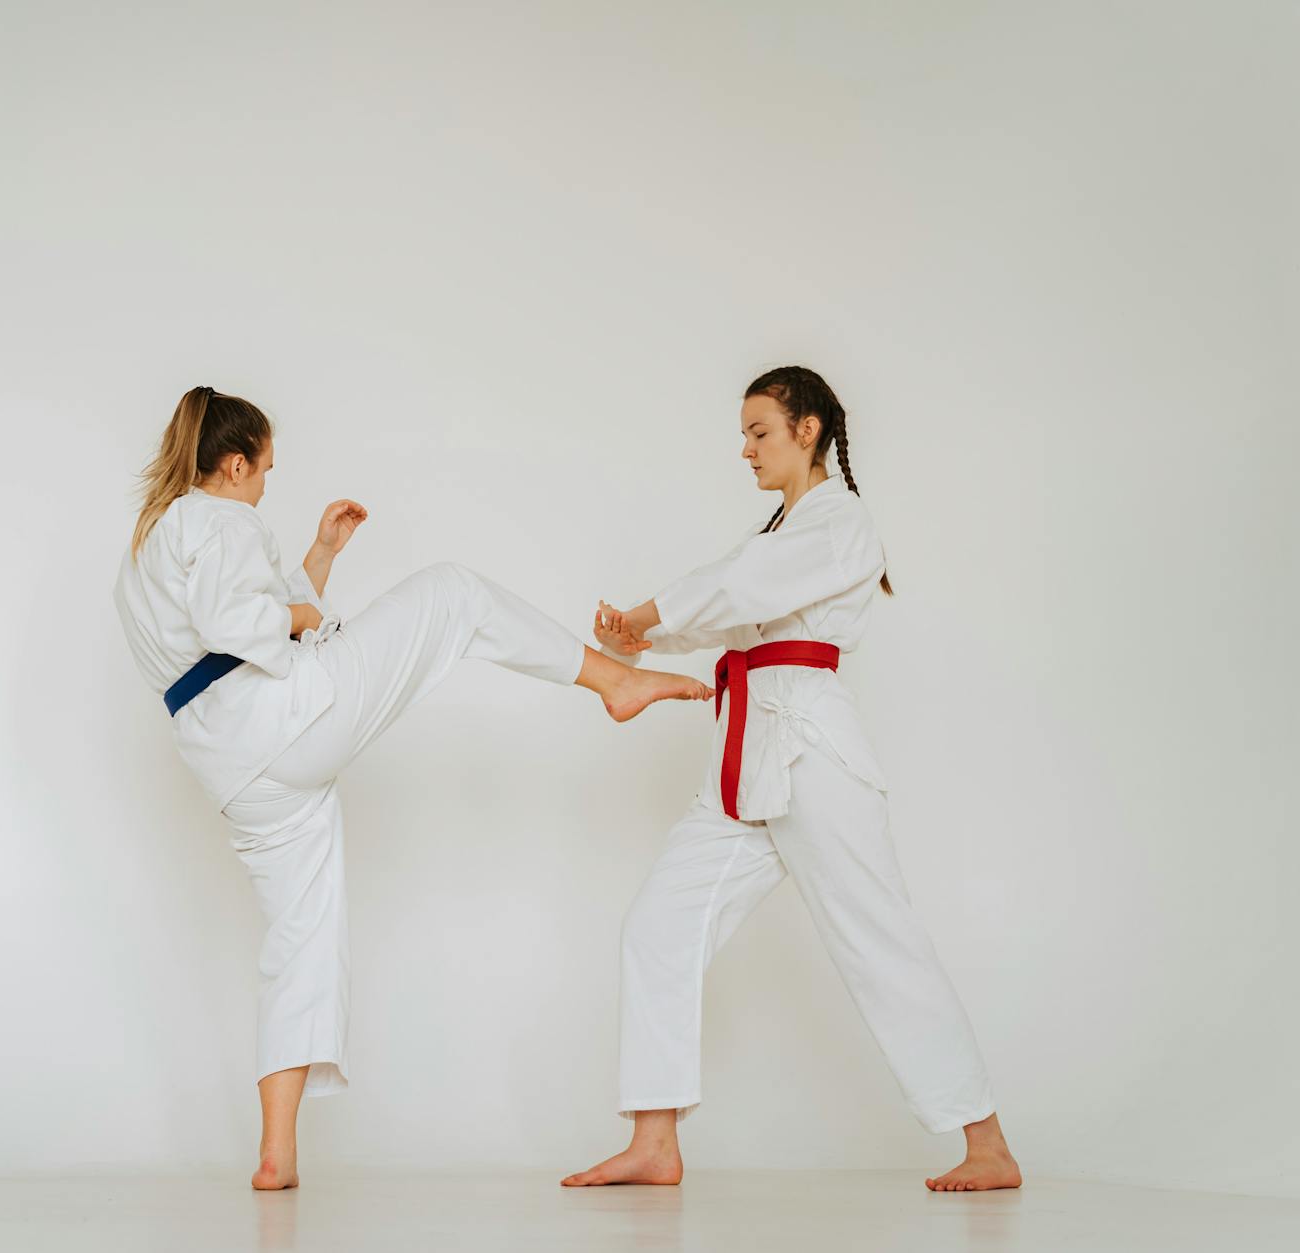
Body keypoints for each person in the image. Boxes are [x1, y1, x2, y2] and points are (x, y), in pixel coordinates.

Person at [114, 385, 714, 1190]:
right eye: (263, 470)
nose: (265, 485)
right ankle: (612, 680)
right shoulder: (215, 516)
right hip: (281, 718)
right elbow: (239, 626)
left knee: (300, 937)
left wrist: (321, 557)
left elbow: (230, 622)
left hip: (236, 768)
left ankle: (277, 1152)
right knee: (454, 592)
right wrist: (299, 612)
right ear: (232, 463)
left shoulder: (152, 542)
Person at [561, 366, 1021, 1193]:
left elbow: (738, 589)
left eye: (759, 431)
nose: (745, 449)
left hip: (812, 753)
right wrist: (638, 642)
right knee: (659, 924)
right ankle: (655, 1138)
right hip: (743, 757)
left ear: (808, 430)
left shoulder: (842, 523)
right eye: (743, 434)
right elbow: (736, 610)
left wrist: (645, 613)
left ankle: (985, 1141)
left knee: (878, 938)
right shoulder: (778, 530)